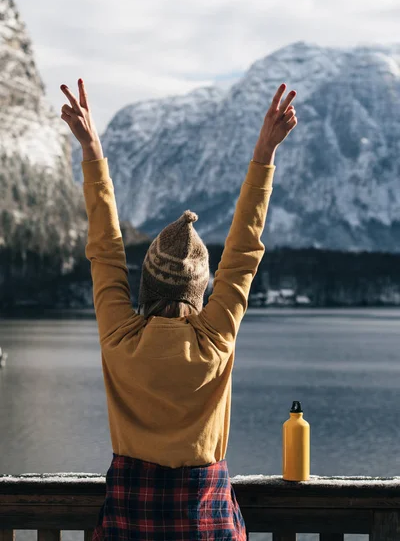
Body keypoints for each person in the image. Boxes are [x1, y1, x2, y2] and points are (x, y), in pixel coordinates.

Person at [60, 79, 297, 540]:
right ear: (202, 287)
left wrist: (92, 151)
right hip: (206, 525)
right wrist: (264, 155)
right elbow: (244, 251)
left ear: (146, 282)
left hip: (131, 521)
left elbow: (105, 251)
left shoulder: (120, 338)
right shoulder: (215, 338)